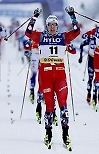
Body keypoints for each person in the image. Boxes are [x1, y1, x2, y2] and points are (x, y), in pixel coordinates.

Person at [25, 7, 80, 150]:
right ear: (46, 26)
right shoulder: (41, 37)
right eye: (50, 25)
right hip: (46, 76)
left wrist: (72, 16)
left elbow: (77, 31)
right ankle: (48, 134)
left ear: (57, 26)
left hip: (60, 75)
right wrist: (34, 16)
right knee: (49, 107)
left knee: (63, 105)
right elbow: (28, 32)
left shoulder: (63, 37)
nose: (52, 27)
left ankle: (65, 135)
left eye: (55, 25)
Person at [78, 34, 99, 105]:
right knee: (90, 78)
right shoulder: (90, 39)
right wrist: (81, 57)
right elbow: (82, 44)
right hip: (91, 60)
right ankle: (89, 94)